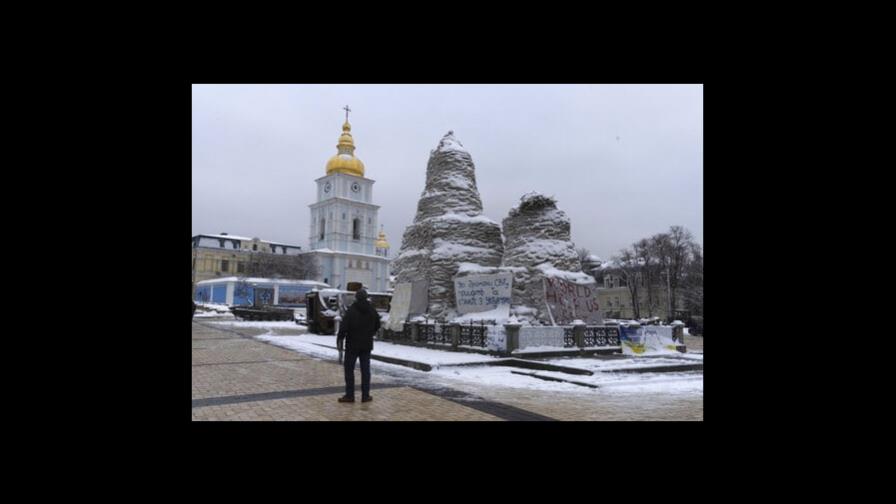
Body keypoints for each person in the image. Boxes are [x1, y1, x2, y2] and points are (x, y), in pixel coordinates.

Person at [336, 288, 380, 403]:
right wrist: (370, 332)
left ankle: (350, 395)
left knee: (349, 370)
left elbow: (344, 327)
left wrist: (340, 339)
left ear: (356, 297)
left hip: (352, 345)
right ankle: (365, 396)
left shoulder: (351, 310)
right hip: (366, 345)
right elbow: (378, 324)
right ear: (366, 297)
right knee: (366, 371)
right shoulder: (372, 310)